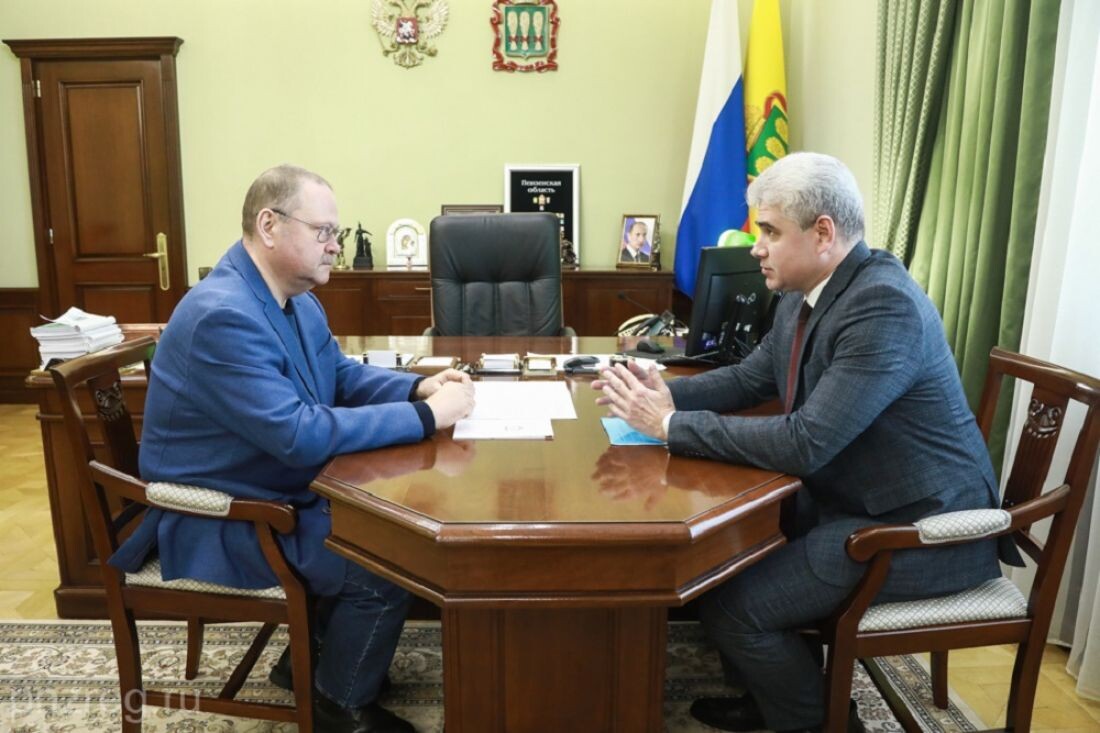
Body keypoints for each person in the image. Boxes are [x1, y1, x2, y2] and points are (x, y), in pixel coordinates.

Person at [593, 152, 1012, 733]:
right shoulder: (804, 292)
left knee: (735, 607)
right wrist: (661, 392)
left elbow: (806, 442)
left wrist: (668, 426)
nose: (756, 247)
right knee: (717, 563)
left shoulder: (882, 306)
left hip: (923, 528)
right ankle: (776, 696)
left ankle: (821, 722)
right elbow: (750, 379)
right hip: (856, 500)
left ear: (822, 233)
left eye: (769, 231)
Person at [110, 164, 475, 733]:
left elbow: (340, 376)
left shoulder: (296, 299)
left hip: (268, 488)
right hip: (218, 515)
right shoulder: (221, 315)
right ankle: (338, 705)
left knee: (384, 531)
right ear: (269, 225)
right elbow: (299, 435)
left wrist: (416, 388)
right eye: (323, 231)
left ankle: (307, 663)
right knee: (385, 558)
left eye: (336, 233)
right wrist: (427, 417)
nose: (335, 246)